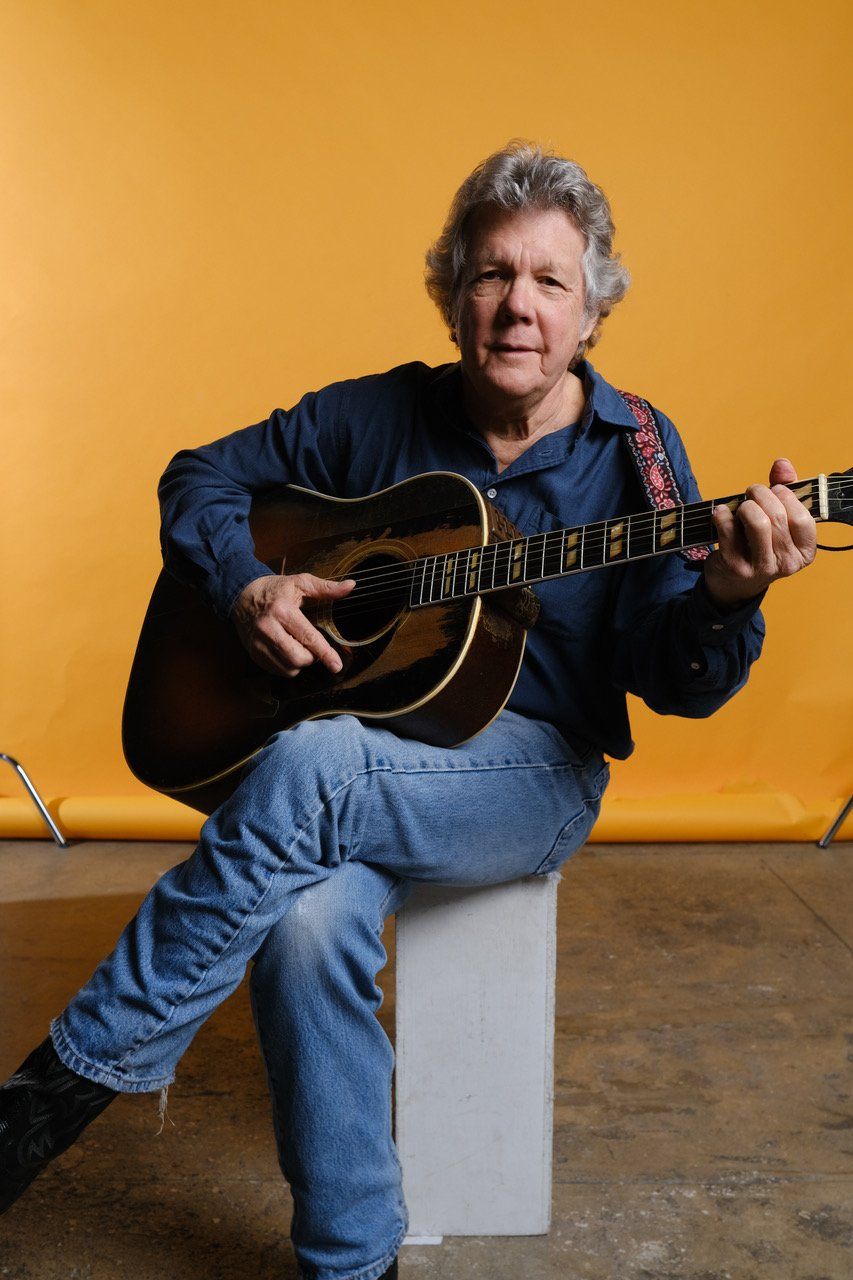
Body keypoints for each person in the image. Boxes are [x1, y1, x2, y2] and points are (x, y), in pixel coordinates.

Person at [0, 143, 816, 1280]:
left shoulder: (640, 456)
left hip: (531, 777)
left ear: (591, 313)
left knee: (316, 759)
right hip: (367, 761)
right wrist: (246, 586)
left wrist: (727, 593)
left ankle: (50, 1097)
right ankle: (352, 1261)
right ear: (452, 295)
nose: (517, 306)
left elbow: (676, 683)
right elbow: (198, 475)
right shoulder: (376, 415)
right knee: (302, 923)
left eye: (549, 281)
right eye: (491, 275)